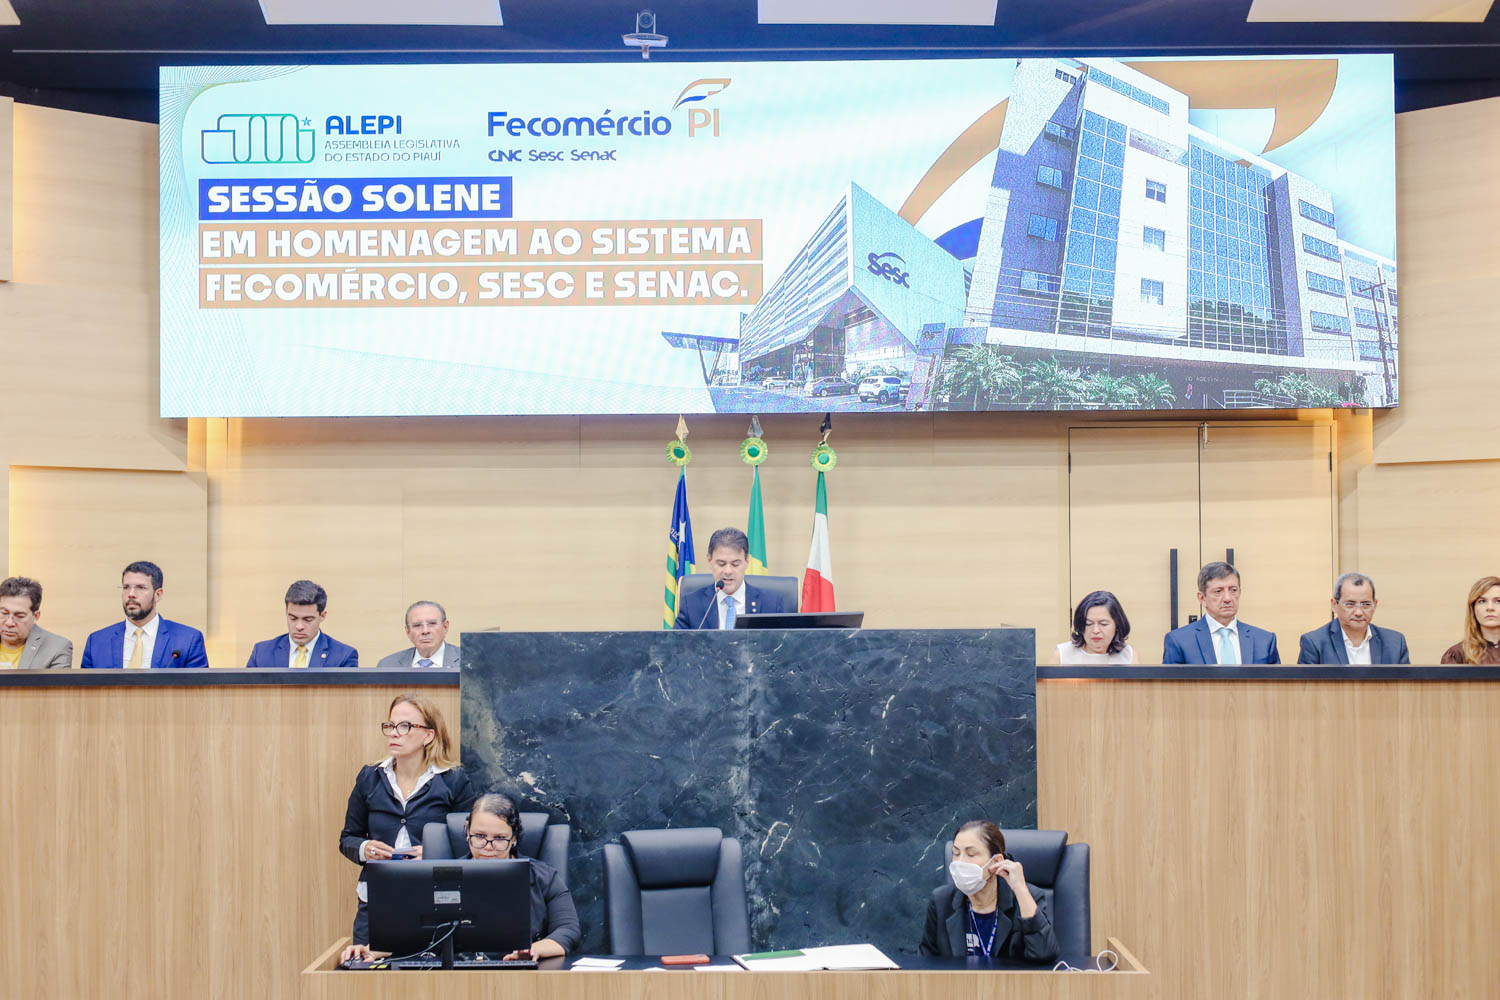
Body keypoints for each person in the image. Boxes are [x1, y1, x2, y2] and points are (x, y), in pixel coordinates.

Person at [340, 793, 579, 965]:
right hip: (455, 977)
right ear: (466, 832)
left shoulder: (544, 877)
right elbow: (408, 933)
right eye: (479, 836)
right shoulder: (438, 877)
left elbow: (568, 930)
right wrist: (371, 951)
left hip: (520, 976)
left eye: (499, 838)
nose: (488, 847)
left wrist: (533, 950)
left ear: (514, 838)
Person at [338, 692, 475, 945]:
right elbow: (348, 839)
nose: (393, 733)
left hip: (435, 899)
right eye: (390, 726)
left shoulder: (453, 779)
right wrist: (366, 849)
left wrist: (434, 853)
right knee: (368, 966)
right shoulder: (370, 777)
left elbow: (469, 842)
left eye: (405, 726)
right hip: (377, 899)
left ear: (428, 735)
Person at [919, 820, 1059, 962]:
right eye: (956, 853)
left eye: (971, 854)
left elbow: (1044, 954)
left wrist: (1020, 889)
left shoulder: (1026, 898)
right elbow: (925, 963)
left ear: (995, 861)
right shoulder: (941, 901)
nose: (960, 862)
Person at [79, 561, 209, 668]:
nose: (131, 594)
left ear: (158, 595)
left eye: (141, 588)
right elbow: (85, 690)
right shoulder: (97, 642)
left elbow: (198, 690)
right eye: (126, 587)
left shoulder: (187, 640)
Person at [673, 527, 794, 630]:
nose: (728, 571)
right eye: (721, 564)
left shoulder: (771, 604)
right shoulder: (691, 604)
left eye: (735, 564)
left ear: (747, 561)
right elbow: (675, 646)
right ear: (709, 560)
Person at [1161, 562, 1280, 665]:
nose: (1227, 598)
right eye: (1218, 591)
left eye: (1233, 590)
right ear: (1202, 598)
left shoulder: (1264, 641)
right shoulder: (1179, 641)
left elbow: (1275, 684)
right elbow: (1172, 684)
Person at [1297, 573, 1410, 664]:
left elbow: (1405, 685)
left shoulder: (1395, 643)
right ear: (1334, 605)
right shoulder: (1314, 643)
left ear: (1375, 605)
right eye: (1350, 604)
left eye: (1366, 604)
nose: (1358, 612)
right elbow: (1306, 686)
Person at [246, 580, 358, 668]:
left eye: (308, 619)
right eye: (293, 618)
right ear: (286, 612)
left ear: (322, 616)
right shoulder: (261, 653)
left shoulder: (343, 656)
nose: (299, 626)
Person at [0, 576, 73, 669]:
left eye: (19, 616)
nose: (9, 623)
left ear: (36, 616)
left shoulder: (57, 648)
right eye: (4, 613)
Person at [1054, 591, 1137, 664]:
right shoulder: (1062, 654)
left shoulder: (1129, 655)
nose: (1096, 630)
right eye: (1088, 624)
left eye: (1103, 624)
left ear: (1117, 625)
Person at [375, 601, 461, 669]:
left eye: (432, 623)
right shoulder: (388, 665)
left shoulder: (466, 661)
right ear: (408, 631)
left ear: (445, 627)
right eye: (417, 625)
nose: (425, 631)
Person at [1440, 576, 1500, 665]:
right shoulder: (1457, 655)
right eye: (1482, 601)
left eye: (1498, 601)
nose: (1490, 608)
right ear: (1473, 608)